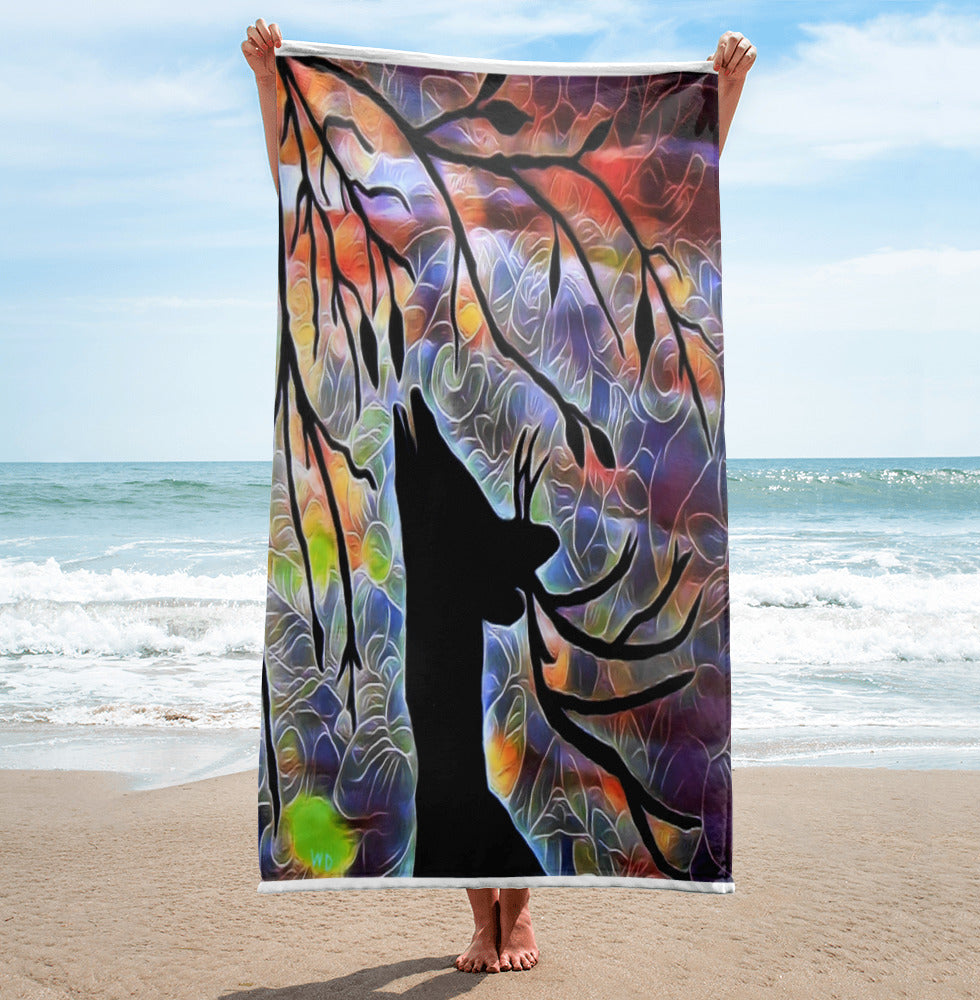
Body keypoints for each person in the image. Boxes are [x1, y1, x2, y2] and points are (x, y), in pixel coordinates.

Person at [242, 18, 754, 976]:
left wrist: (718, 96)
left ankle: (515, 915)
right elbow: (311, 168)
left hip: (534, 454)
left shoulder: (541, 268)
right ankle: (483, 917)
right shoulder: (416, 236)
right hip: (451, 451)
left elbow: (662, 177)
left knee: (516, 707)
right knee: (449, 714)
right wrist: (277, 86)